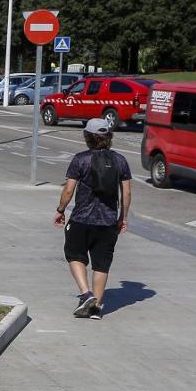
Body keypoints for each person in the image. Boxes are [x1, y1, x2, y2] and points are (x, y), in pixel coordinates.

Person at [54, 118, 132, 320]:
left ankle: (86, 294)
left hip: (81, 219)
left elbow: (69, 189)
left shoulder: (80, 159)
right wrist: (122, 217)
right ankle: (96, 308)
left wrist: (61, 210)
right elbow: (127, 193)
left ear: (87, 137)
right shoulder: (120, 161)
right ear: (108, 136)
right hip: (107, 221)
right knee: (101, 264)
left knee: (74, 255)